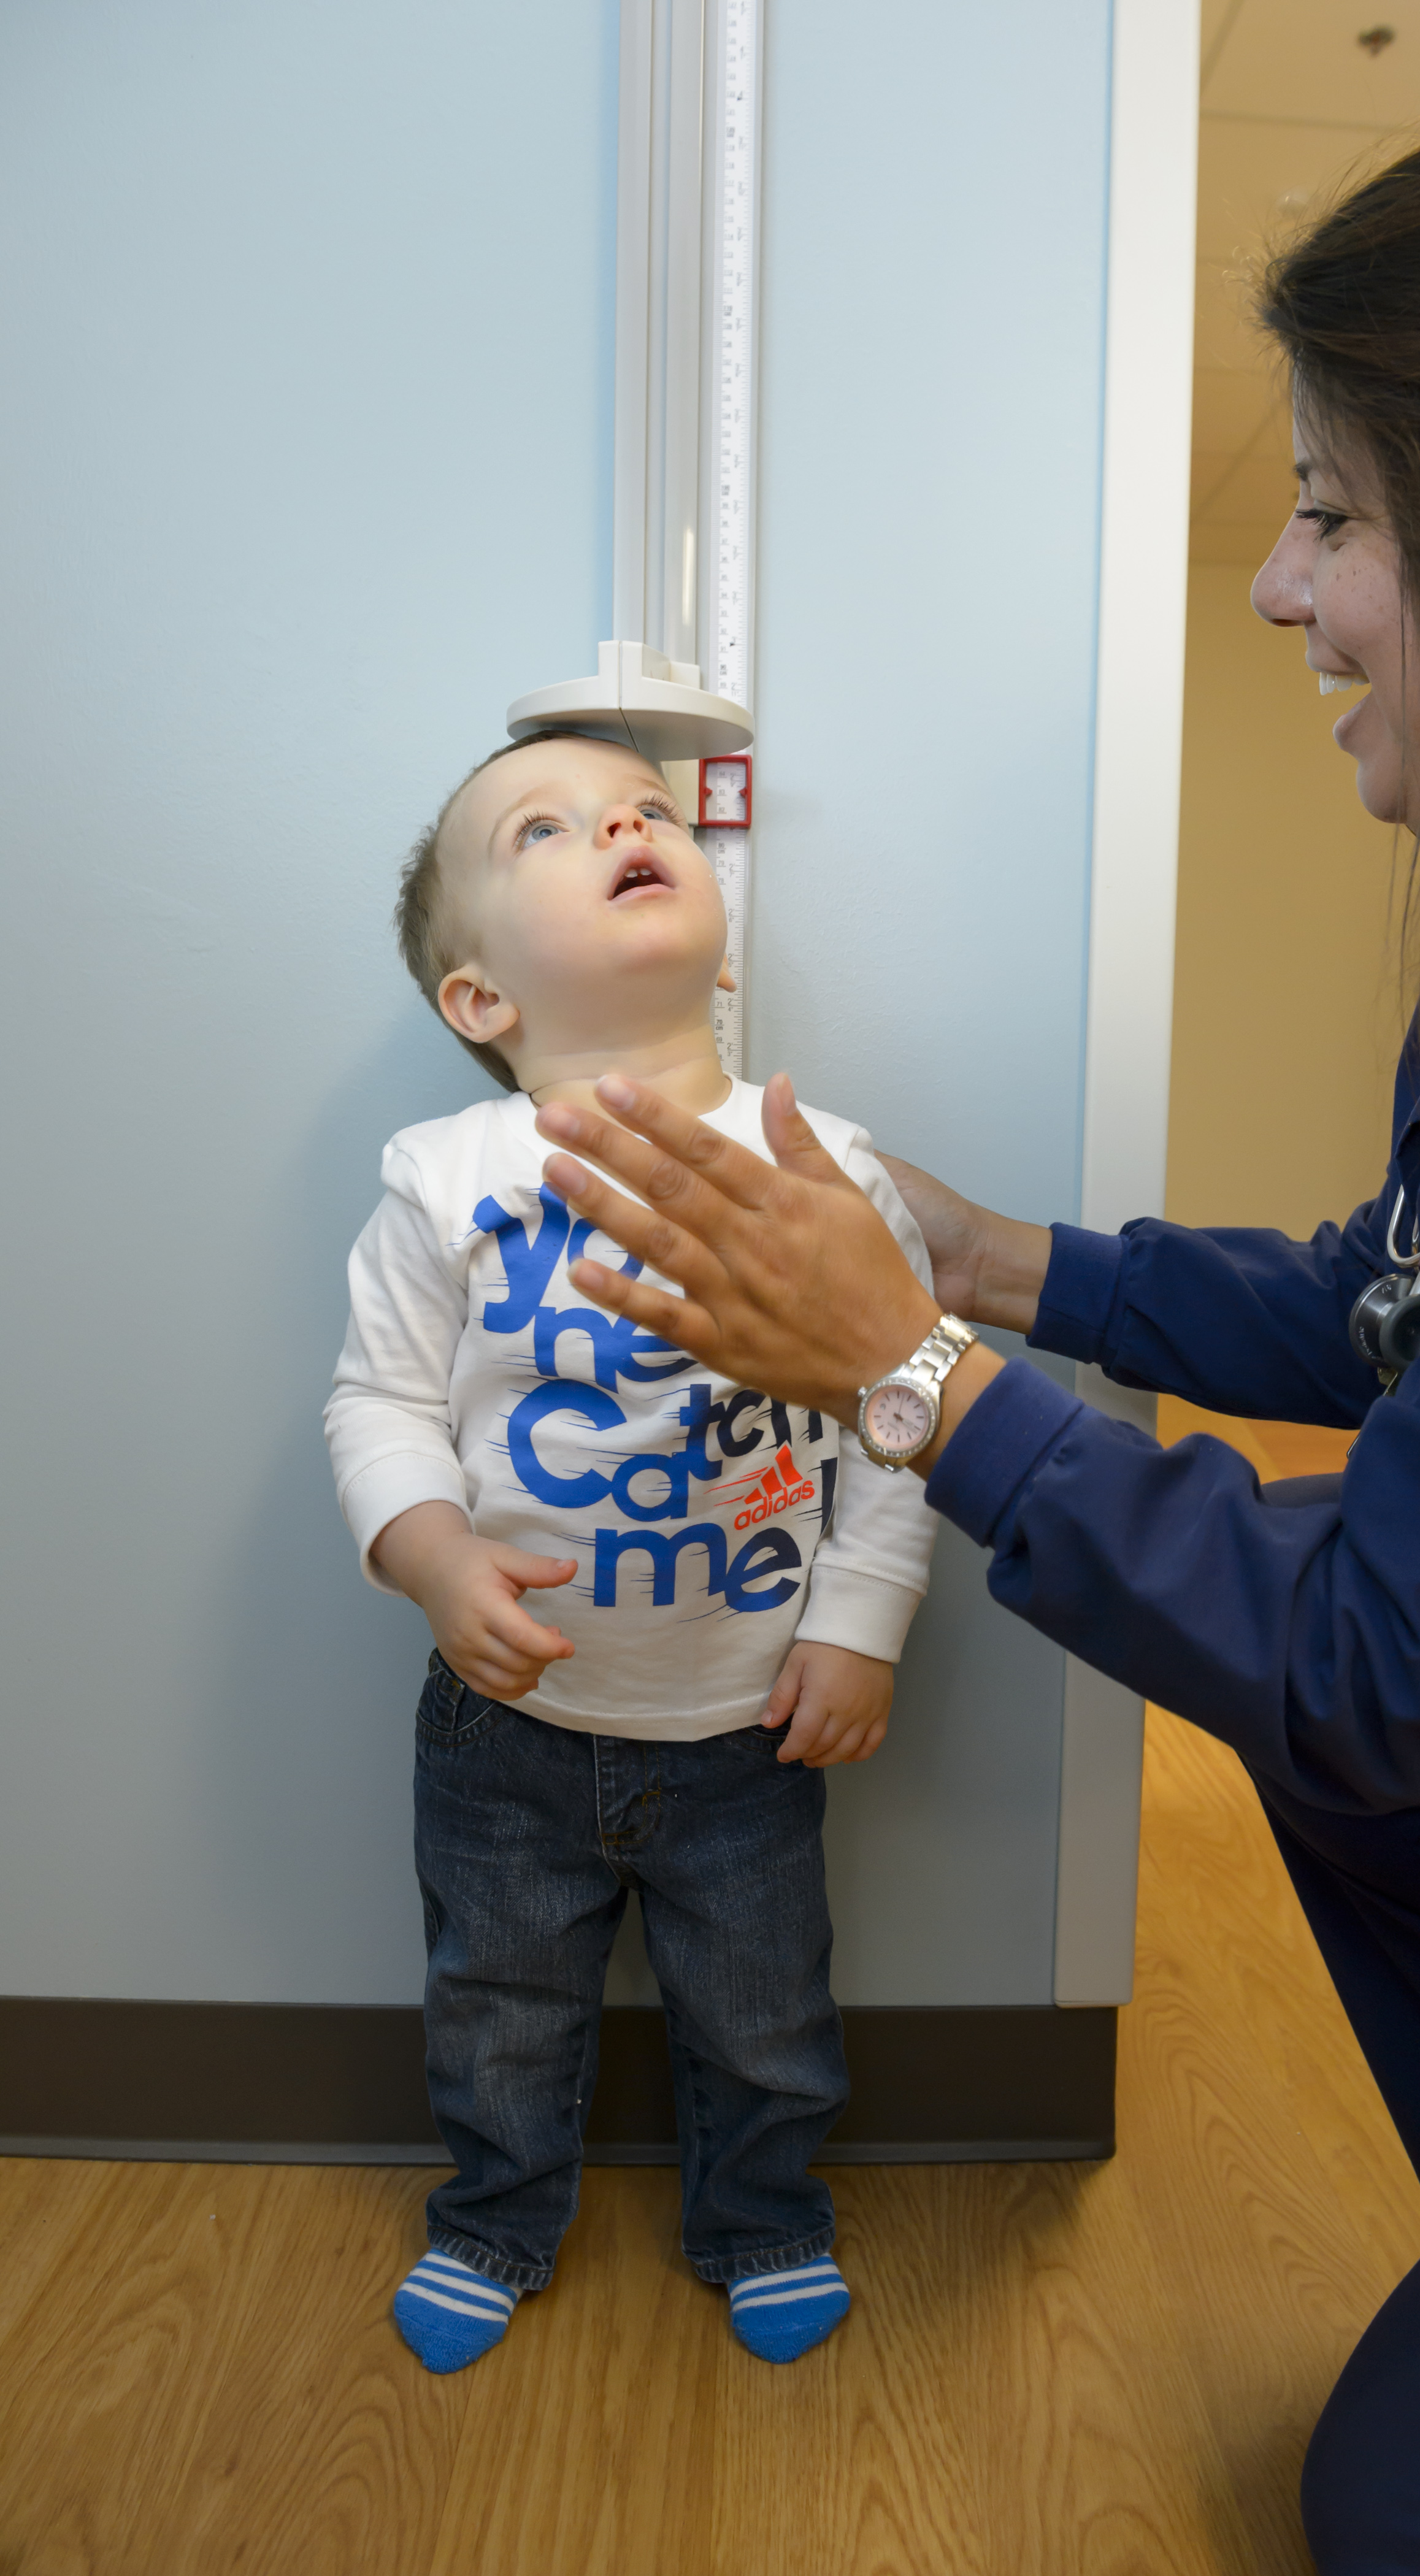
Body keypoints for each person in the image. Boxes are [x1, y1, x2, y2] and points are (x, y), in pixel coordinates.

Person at [524, 44, 1420, 2575]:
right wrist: (998, 1269)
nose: (1281, 587)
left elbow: (1397, 1645)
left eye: (1332, 513)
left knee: (1401, 2502)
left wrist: (906, 1374)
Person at [323, 726, 935, 2375]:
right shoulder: (448, 1182)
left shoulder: (820, 1165)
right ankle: (494, 2218)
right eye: (548, 827)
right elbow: (375, 1403)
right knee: (498, 2009)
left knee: (765, 2013)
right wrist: (433, 1557)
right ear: (480, 1002)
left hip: (745, 1720)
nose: (620, 822)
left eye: (645, 809)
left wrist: (863, 1621)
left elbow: (899, 1409)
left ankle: (764, 2220)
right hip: (504, 1725)